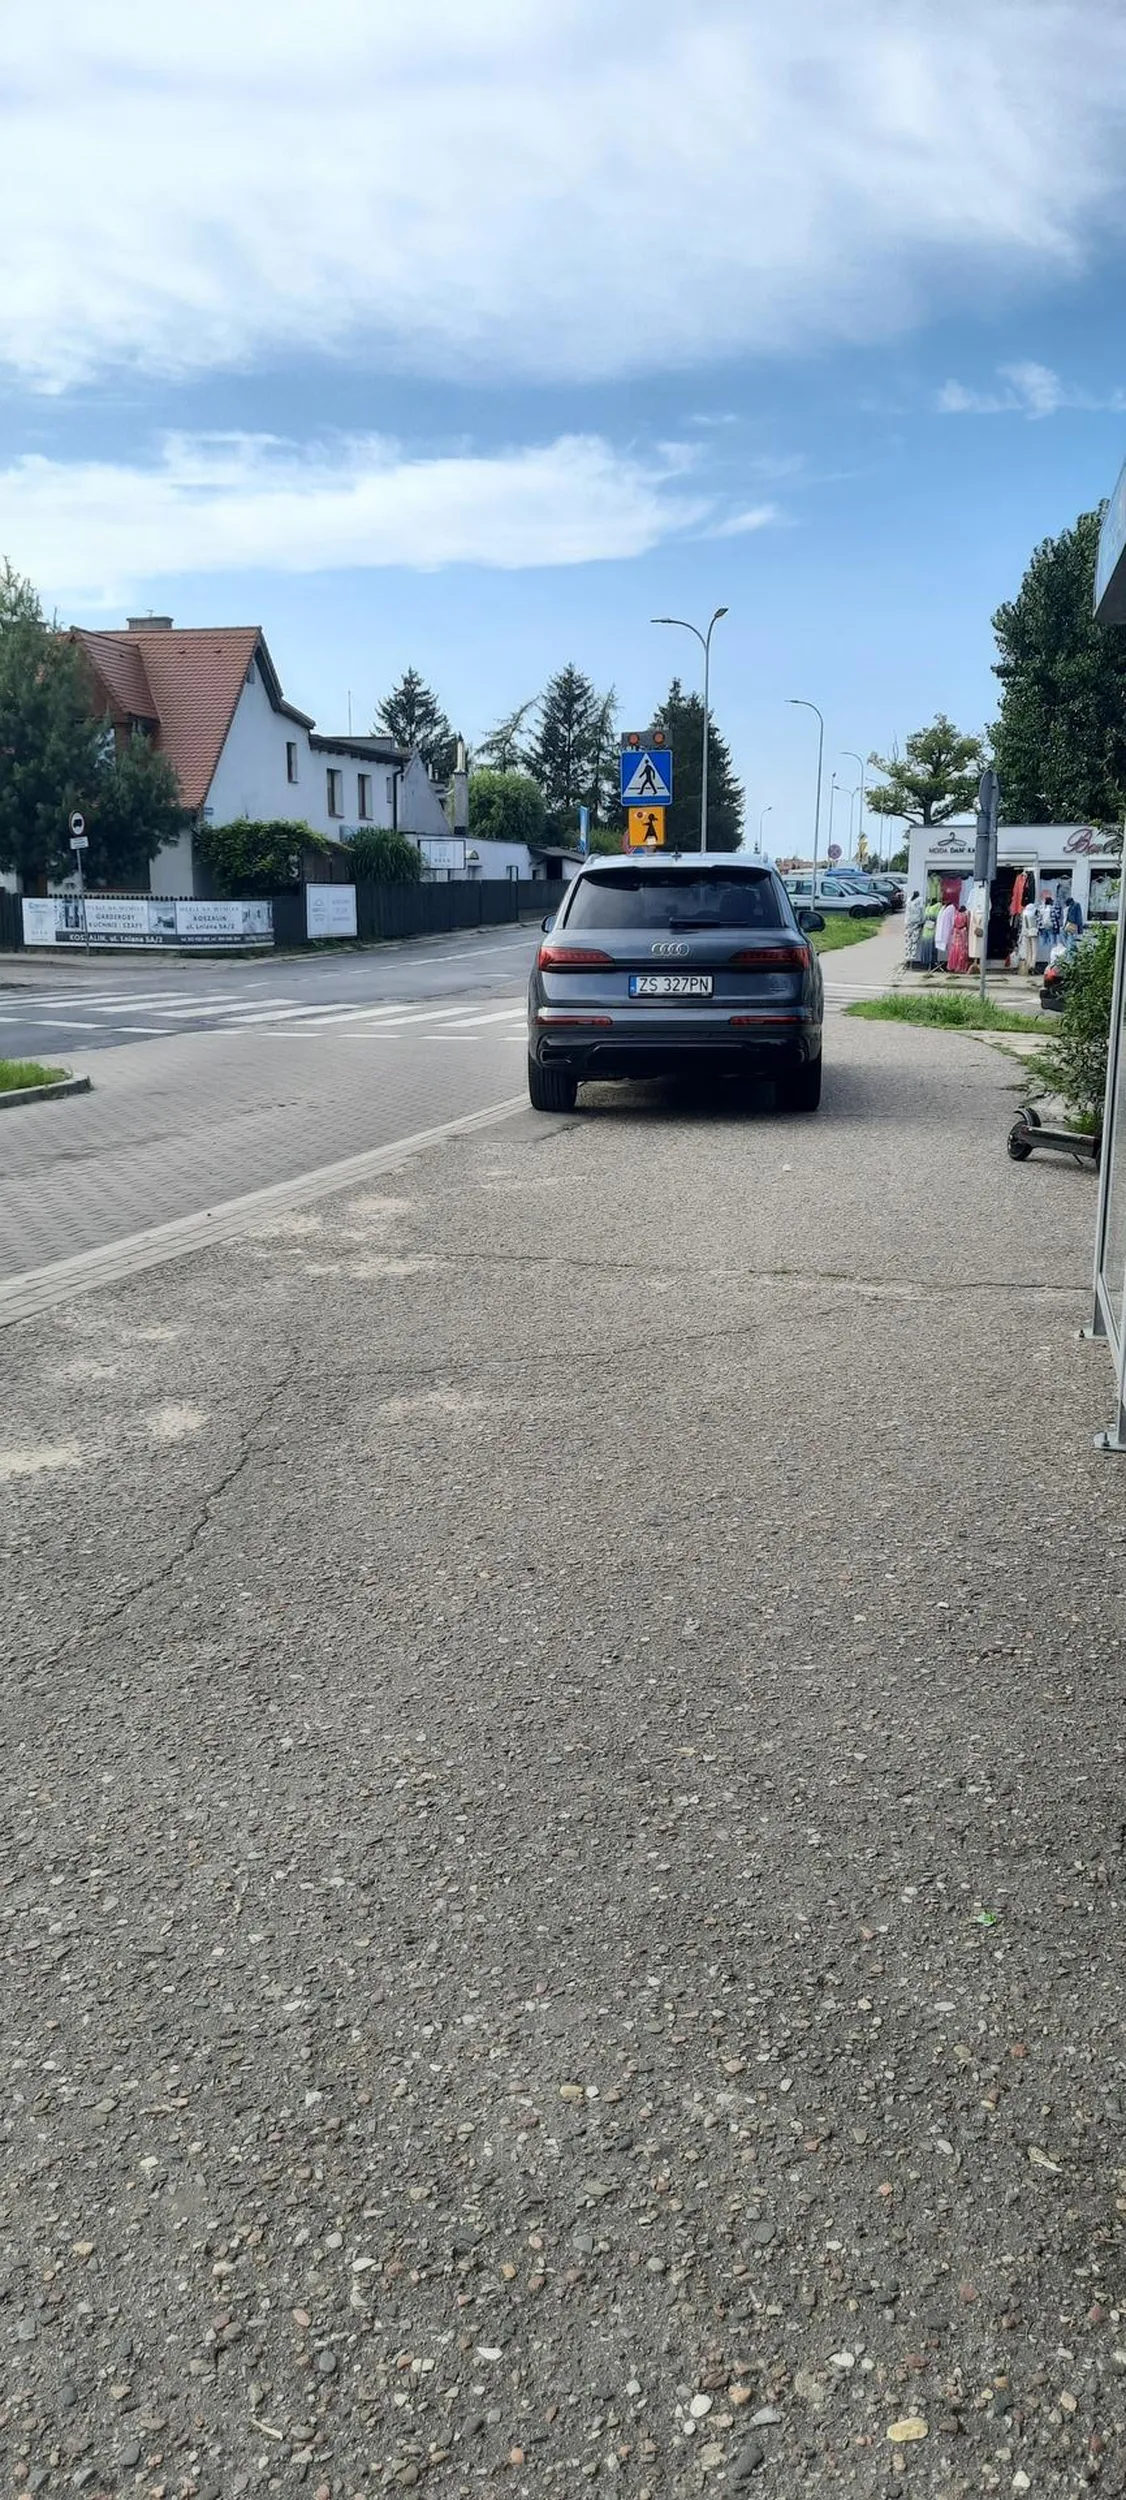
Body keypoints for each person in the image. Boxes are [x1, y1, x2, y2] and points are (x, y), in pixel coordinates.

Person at [947, 904, 971, 975]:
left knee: (954, 949)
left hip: (955, 932)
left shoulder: (956, 914)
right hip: (963, 932)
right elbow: (968, 924)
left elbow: (953, 924)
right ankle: (960, 967)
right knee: (962, 950)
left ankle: (952, 966)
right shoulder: (965, 914)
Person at [904, 891, 925, 966]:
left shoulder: (909, 899)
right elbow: (922, 911)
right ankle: (911, 957)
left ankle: (908, 957)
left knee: (908, 940)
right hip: (916, 922)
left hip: (908, 922)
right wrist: (923, 920)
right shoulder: (920, 900)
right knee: (914, 940)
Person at [935, 896, 956, 969]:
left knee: (948, 948)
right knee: (941, 948)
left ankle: (949, 965)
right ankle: (942, 963)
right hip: (940, 931)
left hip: (947, 931)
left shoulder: (952, 908)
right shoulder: (942, 907)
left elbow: (953, 921)